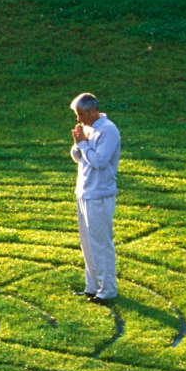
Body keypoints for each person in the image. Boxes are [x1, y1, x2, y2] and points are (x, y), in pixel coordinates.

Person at [69, 93, 120, 305]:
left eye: (81, 114)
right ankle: (92, 287)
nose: (78, 119)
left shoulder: (108, 130)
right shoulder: (87, 128)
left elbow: (99, 161)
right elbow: (77, 157)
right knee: (87, 244)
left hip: (100, 194)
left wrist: (83, 144)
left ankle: (107, 290)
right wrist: (77, 143)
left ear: (92, 111)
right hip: (84, 192)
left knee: (100, 244)